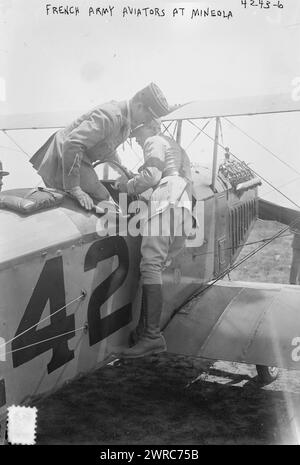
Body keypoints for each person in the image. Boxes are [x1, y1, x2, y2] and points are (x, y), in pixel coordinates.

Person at [116, 120, 193, 358]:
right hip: (184, 202)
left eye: (136, 133)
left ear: (150, 126)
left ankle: (152, 336)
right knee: (156, 268)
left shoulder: (153, 141)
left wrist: (126, 185)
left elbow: (151, 176)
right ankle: (143, 330)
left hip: (166, 198)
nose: (136, 139)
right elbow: (186, 177)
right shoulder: (177, 147)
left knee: (149, 265)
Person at [30, 83, 170, 210]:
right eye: (146, 118)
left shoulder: (125, 124)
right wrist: (74, 188)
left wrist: (123, 171)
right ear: (139, 106)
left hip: (77, 157)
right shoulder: (110, 116)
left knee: (105, 198)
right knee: (103, 199)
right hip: (62, 156)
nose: (144, 123)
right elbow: (73, 143)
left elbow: (108, 150)